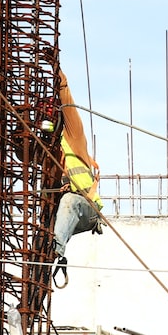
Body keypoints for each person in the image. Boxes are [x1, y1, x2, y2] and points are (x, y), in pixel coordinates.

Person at [51, 69, 104, 287]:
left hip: (88, 209)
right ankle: (50, 250)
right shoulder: (47, 152)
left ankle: (56, 249)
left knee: (70, 201)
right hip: (65, 215)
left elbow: (68, 106)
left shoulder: (72, 138)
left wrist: (59, 77)